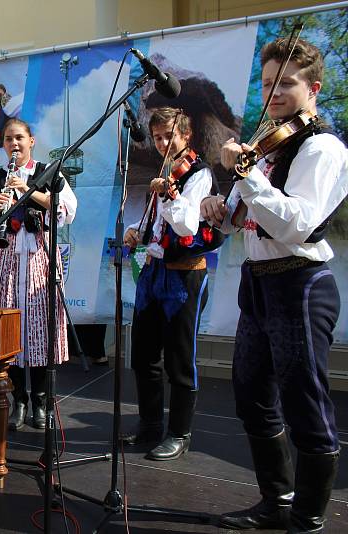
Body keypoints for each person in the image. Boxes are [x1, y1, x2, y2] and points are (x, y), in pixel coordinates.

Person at [201, 37, 347, 532]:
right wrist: (218, 209)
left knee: (304, 398)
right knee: (250, 394)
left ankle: (307, 516)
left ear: (313, 89)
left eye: (285, 83)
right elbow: (235, 223)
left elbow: (298, 223)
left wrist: (246, 172)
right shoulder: (266, 149)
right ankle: (276, 499)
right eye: (267, 84)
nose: (274, 93)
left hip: (301, 283)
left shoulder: (322, 147)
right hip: (259, 282)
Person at [0, 118, 77, 430]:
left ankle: (41, 401)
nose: (14, 144)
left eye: (19, 138)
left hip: (40, 256)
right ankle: (19, 401)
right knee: (9, 330)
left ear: (31, 141)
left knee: (40, 329)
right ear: (4, 145)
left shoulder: (48, 172)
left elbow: (65, 209)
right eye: (9, 139)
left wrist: (27, 190)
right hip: (6, 257)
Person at [122, 106, 219, 461]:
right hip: (154, 273)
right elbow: (158, 228)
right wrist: (139, 231)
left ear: (186, 135)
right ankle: (149, 424)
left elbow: (187, 228)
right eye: (159, 137)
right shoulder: (166, 173)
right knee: (143, 355)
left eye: (169, 136)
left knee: (179, 359)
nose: (164, 143)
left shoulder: (200, 175)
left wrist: (170, 194)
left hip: (184, 275)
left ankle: (179, 433)